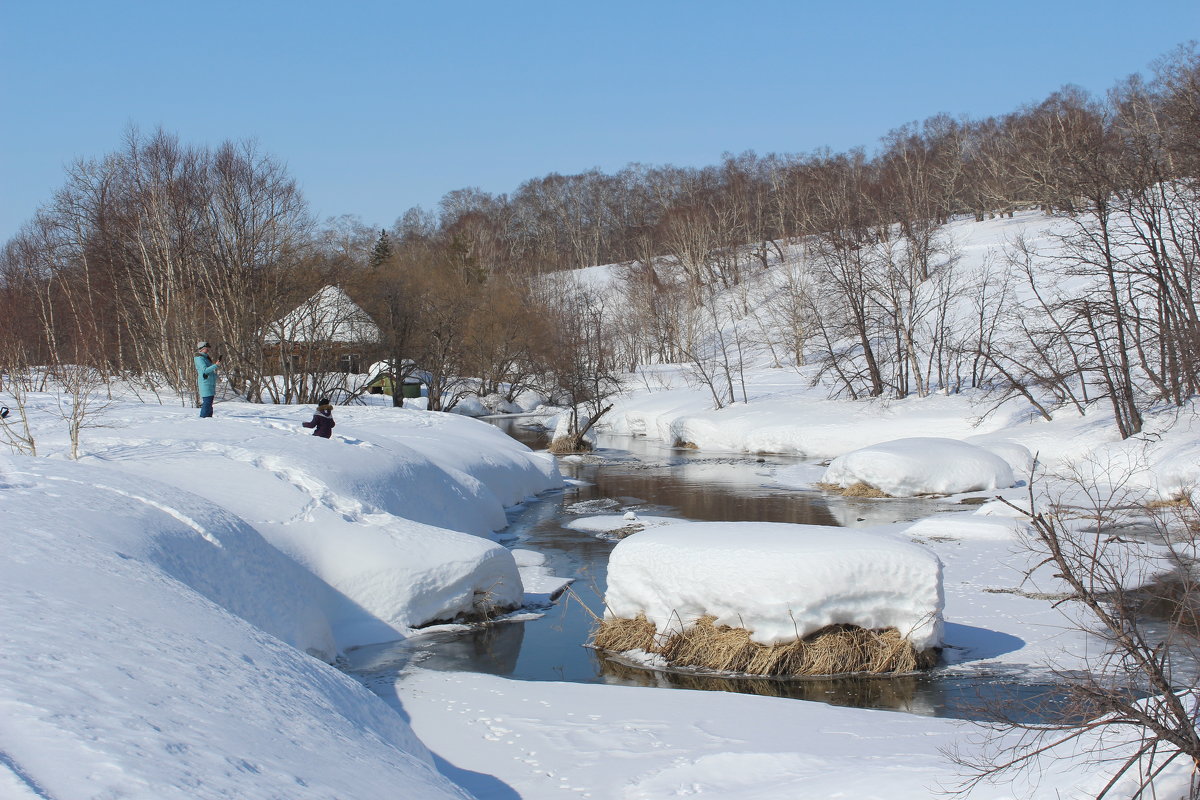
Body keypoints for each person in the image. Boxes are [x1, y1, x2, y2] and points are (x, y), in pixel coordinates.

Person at [194, 341, 221, 418]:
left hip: (210, 383)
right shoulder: (199, 358)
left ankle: (209, 419)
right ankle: (203, 418)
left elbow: (210, 370)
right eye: (206, 348)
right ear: (201, 349)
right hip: (205, 383)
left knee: (209, 403)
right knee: (207, 402)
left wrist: (216, 375)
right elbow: (205, 370)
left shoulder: (205, 357)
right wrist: (215, 365)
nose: (208, 350)